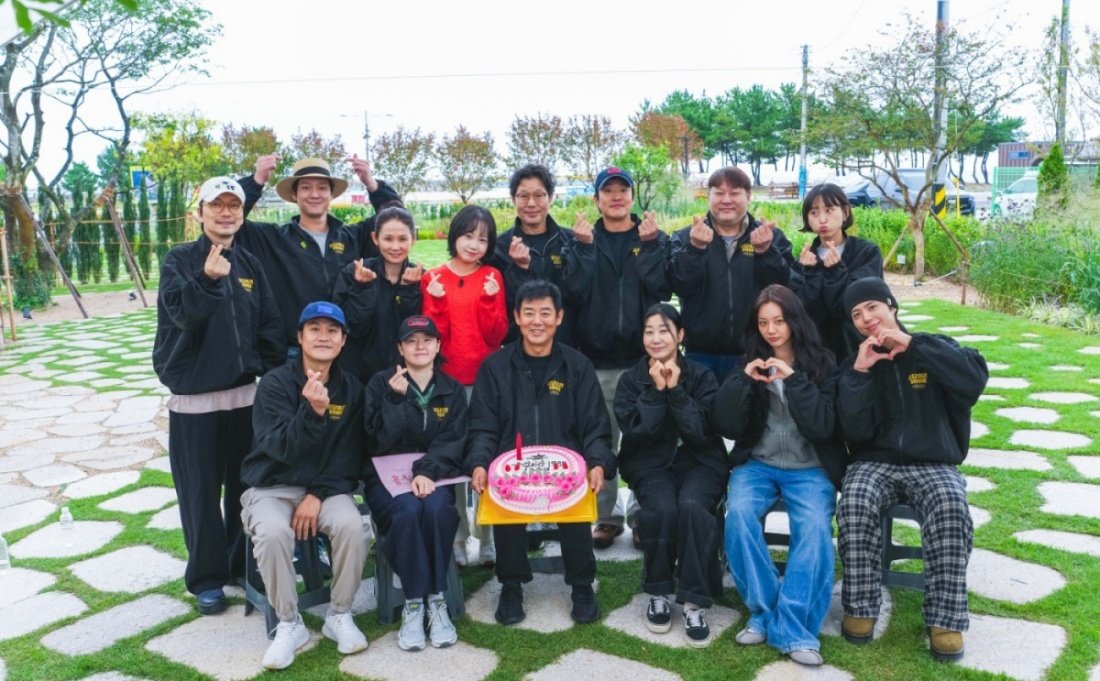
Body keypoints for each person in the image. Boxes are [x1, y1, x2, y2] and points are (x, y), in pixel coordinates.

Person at [836, 277, 988, 663]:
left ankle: (945, 620)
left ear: (892, 306)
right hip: (874, 462)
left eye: (872, 307)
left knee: (950, 505)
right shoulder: (856, 363)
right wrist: (860, 374)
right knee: (855, 500)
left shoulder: (934, 347)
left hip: (933, 462)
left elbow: (973, 381)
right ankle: (861, 606)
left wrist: (913, 345)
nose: (866, 318)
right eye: (857, 314)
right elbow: (854, 431)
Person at [153, 176, 285, 616]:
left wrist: (276, 377)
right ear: (200, 213)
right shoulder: (179, 261)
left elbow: (268, 324)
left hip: (244, 399)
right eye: (217, 205)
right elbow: (182, 314)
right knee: (200, 496)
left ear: (242, 215)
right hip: (195, 403)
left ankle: (239, 565)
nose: (226, 213)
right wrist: (208, 280)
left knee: (245, 490)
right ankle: (207, 580)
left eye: (234, 206)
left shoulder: (249, 263)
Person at [467, 280, 614, 626]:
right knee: (502, 490)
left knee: (578, 489)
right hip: (511, 465)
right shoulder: (495, 368)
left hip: (565, 465)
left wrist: (597, 463)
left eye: (545, 313)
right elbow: (483, 427)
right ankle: (511, 585)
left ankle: (581, 584)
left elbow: (595, 425)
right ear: (517, 317)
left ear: (559, 317)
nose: (537, 321)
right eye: (529, 313)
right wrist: (479, 463)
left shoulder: (577, 366)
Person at [714, 284, 846, 667]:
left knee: (815, 529)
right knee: (738, 516)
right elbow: (725, 424)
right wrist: (743, 382)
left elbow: (824, 427)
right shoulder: (750, 362)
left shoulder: (822, 363)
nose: (771, 330)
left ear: (794, 321)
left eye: (779, 321)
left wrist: (795, 381)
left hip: (810, 468)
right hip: (758, 464)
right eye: (763, 322)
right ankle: (765, 609)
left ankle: (793, 626)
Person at [240, 302, 369, 670]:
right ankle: (289, 622)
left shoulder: (351, 388)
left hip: (324, 487)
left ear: (343, 340)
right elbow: (279, 447)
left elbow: (350, 454)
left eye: (332, 330)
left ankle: (339, 614)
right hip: (272, 485)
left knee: (353, 526)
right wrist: (312, 412)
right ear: (300, 337)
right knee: (272, 532)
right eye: (314, 329)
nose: (323, 337)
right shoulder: (275, 384)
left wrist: (317, 494)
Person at [561, 166, 671, 549]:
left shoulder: (653, 238)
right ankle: (606, 517)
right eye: (608, 191)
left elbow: (663, 287)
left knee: (646, 439)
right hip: (597, 361)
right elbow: (573, 292)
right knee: (600, 440)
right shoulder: (582, 240)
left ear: (632, 197)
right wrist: (583, 248)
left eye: (623, 189)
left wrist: (652, 245)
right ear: (597, 200)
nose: (616, 197)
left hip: (644, 360)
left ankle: (642, 515)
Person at [613, 303, 727, 647]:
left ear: (680, 335)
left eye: (664, 331)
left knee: (692, 506)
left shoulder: (702, 376)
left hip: (700, 461)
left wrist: (676, 390)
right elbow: (638, 432)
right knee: (662, 507)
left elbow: (701, 432)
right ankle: (659, 592)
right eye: (649, 331)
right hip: (650, 463)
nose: (656, 338)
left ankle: (694, 601)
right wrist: (655, 390)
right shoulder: (631, 380)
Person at [363, 314, 465, 652]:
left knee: (437, 510)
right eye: (411, 341)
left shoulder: (451, 389)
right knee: (406, 511)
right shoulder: (380, 384)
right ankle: (413, 602)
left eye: (427, 340)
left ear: (438, 345)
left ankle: (435, 599)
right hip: (385, 477)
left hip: (435, 475)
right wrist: (393, 401)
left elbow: (454, 440)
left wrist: (426, 470)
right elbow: (376, 442)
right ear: (400, 348)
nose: (419, 346)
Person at [234, 154, 401, 357]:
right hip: (293, 352)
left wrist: (371, 184)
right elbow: (231, 222)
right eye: (305, 187)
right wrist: (256, 181)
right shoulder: (273, 239)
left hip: (347, 348)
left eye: (322, 188)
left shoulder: (355, 237)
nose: (314, 194)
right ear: (294, 194)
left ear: (331, 195)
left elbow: (396, 216)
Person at [421, 204, 509, 567]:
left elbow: (496, 334)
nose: (474, 245)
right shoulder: (434, 278)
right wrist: (437, 301)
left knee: (486, 458)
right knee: (451, 461)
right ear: (454, 235)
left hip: (486, 384)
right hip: (448, 384)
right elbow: (433, 338)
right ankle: (457, 538)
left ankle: (488, 536)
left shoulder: (492, 276)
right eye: (468, 236)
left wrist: (489, 298)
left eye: (483, 239)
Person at [670, 166, 796, 379]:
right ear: (708, 197)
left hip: (755, 352)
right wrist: (695, 249)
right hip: (698, 354)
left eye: (735, 193)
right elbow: (679, 285)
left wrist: (766, 252)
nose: (726, 200)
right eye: (719, 193)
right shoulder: (686, 237)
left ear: (748, 196)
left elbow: (785, 288)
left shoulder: (770, 237)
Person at [332, 205, 424, 382]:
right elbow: (351, 328)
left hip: (405, 375)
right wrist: (362, 289)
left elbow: (417, 332)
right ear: (375, 238)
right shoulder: (353, 273)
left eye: (402, 239)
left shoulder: (421, 279)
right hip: (357, 376)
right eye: (388, 239)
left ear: (413, 239)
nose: (395, 246)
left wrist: (408, 291)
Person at [792, 183, 883, 360]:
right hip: (816, 352)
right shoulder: (805, 259)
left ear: (845, 212)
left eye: (829, 210)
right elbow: (803, 310)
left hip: (860, 348)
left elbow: (853, 304)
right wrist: (809, 272)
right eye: (814, 213)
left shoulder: (866, 252)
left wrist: (835, 271)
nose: (822, 219)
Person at [489, 164, 576, 345]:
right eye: (523, 196)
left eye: (539, 195)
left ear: (551, 198)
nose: (531, 203)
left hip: (566, 345)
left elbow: (580, 294)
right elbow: (501, 303)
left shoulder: (571, 241)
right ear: (513, 199)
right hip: (519, 347)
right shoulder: (499, 247)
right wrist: (518, 269)